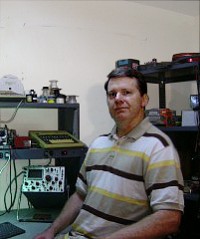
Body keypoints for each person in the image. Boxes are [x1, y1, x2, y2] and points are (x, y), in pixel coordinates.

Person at [34, 67, 184, 239]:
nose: (118, 99)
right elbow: (80, 196)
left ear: (144, 100)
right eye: (112, 94)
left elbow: (169, 218)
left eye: (126, 92)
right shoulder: (98, 144)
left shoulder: (158, 148)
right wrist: (51, 231)